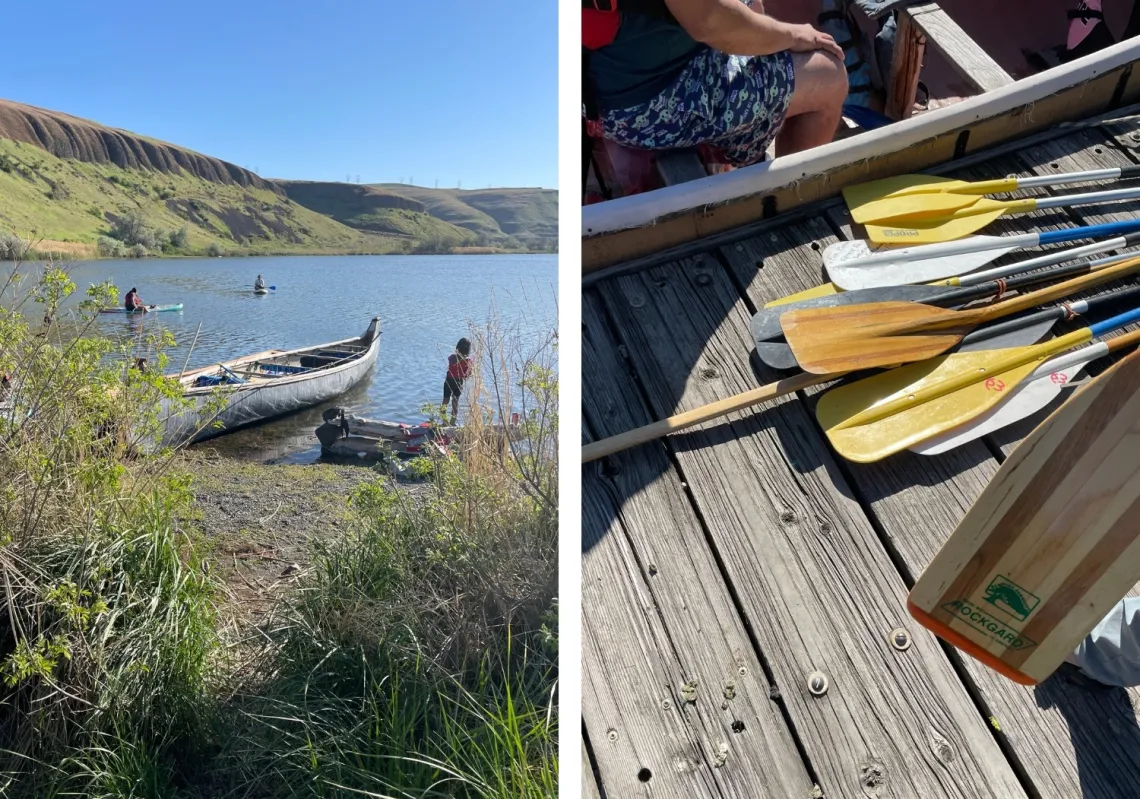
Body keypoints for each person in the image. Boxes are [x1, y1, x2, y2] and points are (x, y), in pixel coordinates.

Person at [583, 0, 848, 175]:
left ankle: (746, 149)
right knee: (828, 73)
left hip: (608, 82)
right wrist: (794, 35)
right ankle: (785, 198)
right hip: (648, 103)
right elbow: (712, 22)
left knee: (750, 8)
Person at [441, 338, 472, 425]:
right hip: (459, 382)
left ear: (458, 347)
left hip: (449, 381)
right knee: (455, 402)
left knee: (445, 400)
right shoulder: (468, 361)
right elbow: (468, 374)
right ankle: (453, 422)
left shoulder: (452, 357)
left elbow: (451, 362)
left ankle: (444, 421)